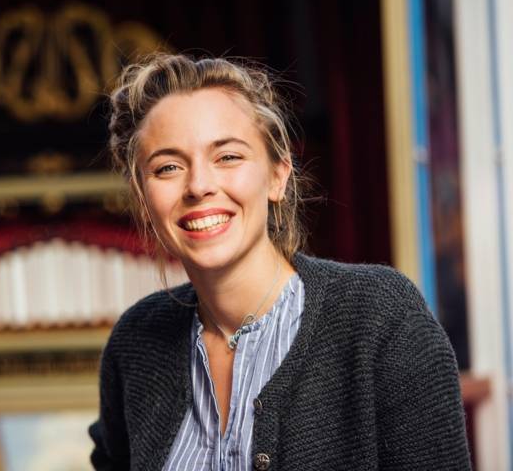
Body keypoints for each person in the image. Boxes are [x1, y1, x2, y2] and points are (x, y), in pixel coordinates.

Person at [88, 53, 470, 470]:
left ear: (277, 175)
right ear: (143, 198)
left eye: (228, 157)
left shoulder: (378, 317)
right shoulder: (135, 344)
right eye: (168, 167)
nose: (199, 185)